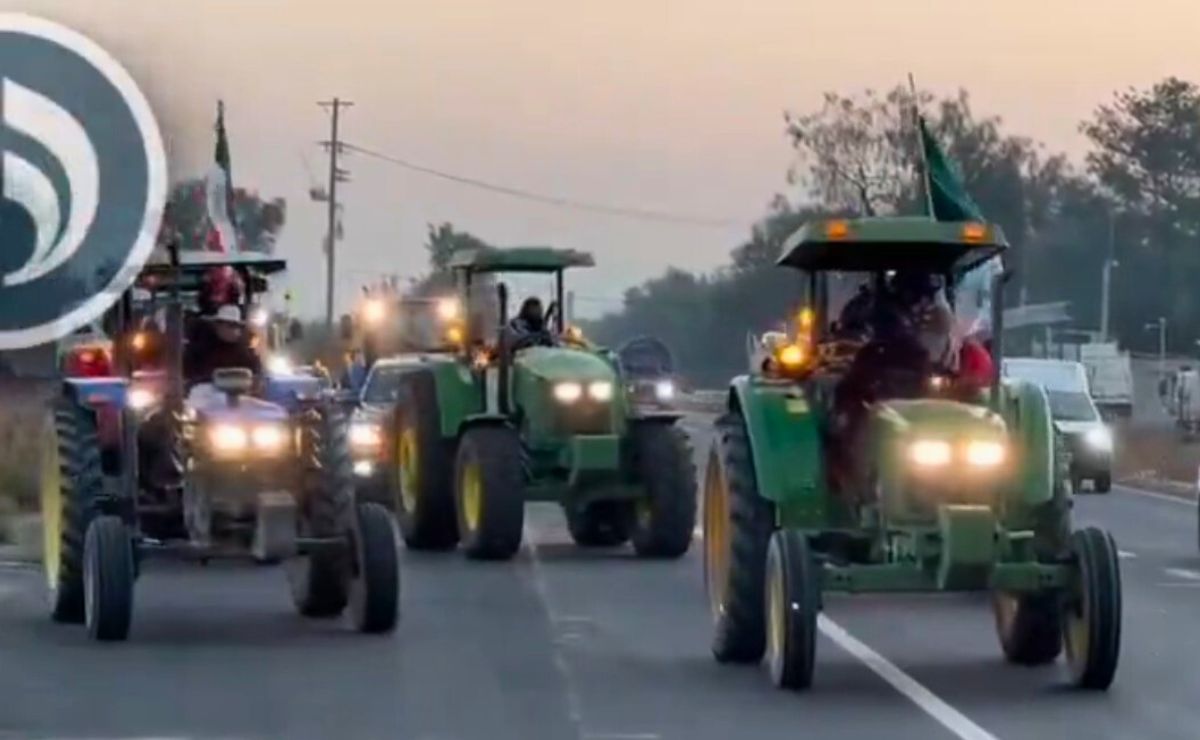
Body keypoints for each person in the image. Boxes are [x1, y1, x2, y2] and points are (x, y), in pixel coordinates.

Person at [182, 304, 262, 388]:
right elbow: (188, 373)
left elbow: (255, 374)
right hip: (205, 394)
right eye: (230, 326)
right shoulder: (202, 347)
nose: (234, 330)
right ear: (218, 326)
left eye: (237, 326)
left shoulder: (245, 352)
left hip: (238, 394)